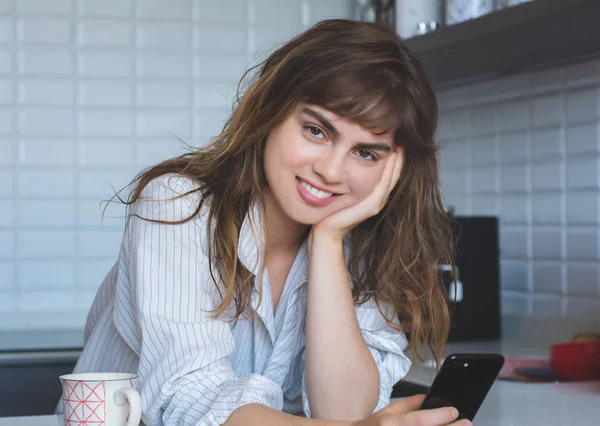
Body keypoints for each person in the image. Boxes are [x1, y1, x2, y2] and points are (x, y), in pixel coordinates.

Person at [63, 19, 467, 426]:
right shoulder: (177, 205)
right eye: (316, 130)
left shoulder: (364, 247)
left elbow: (343, 412)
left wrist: (327, 242)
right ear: (272, 111)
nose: (330, 170)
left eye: (366, 154)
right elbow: (189, 401)